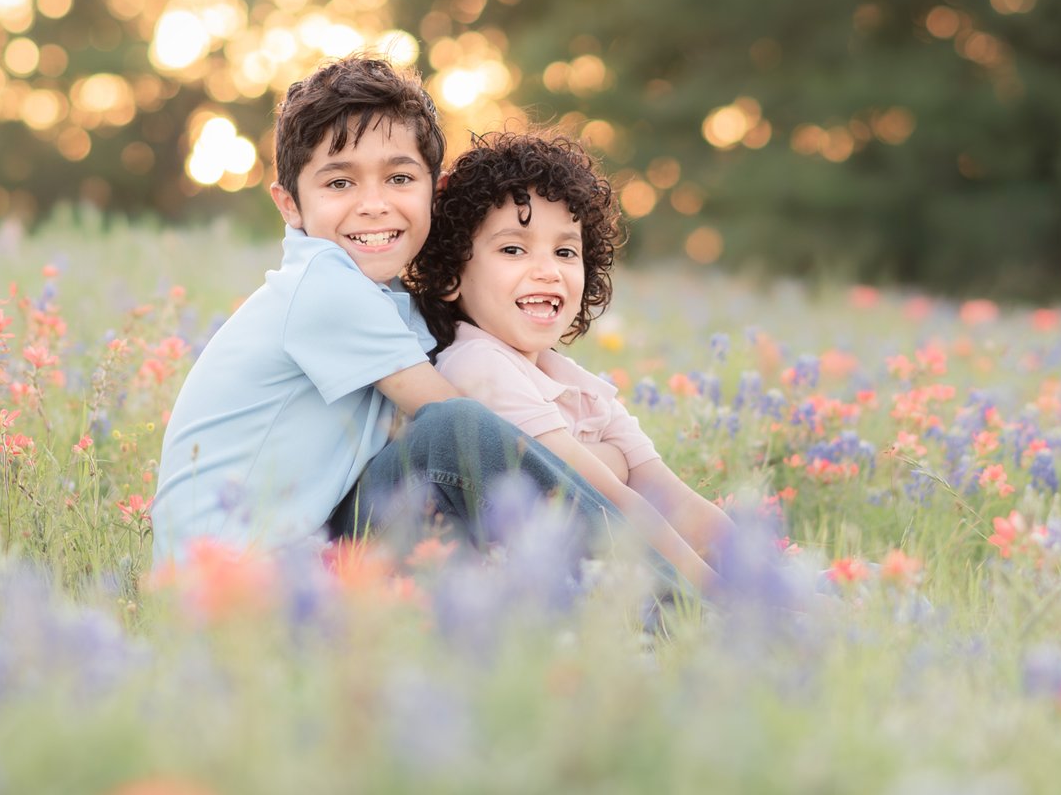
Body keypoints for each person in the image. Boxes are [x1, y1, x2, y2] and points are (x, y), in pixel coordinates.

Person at [150, 57, 708, 597]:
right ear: (289, 204)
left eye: (398, 177)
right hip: (232, 577)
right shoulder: (320, 284)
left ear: (432, 193)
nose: (373, 204)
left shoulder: (389, 304)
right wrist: (601, 466)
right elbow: (482, 438)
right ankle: (687, 604)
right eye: (339, 184)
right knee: (453, 429)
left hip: (303, 560)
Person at [408, 130, 732, 569]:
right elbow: (609, 503)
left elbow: (668, 492)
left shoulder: (569, 380)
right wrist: (720, 596)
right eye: (512, 249)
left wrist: (769, 572)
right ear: (449, 275)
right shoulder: (476, 365)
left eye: (564, 251)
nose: (547, 271)